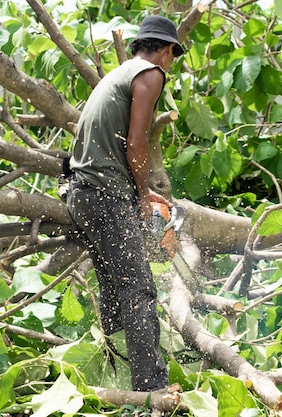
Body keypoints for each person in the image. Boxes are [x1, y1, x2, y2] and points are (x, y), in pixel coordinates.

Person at [66, 15, 185, 392]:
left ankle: (117, 376)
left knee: (115, 289)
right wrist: (138, 195)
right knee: (139, 289)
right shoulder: (150, 73)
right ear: (166, 50)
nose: (169, 64)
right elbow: (136, 142)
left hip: (80, 193)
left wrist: (140, 191)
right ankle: (151, 389)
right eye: (172, 56)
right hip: (105, 195)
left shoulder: (119, 73)